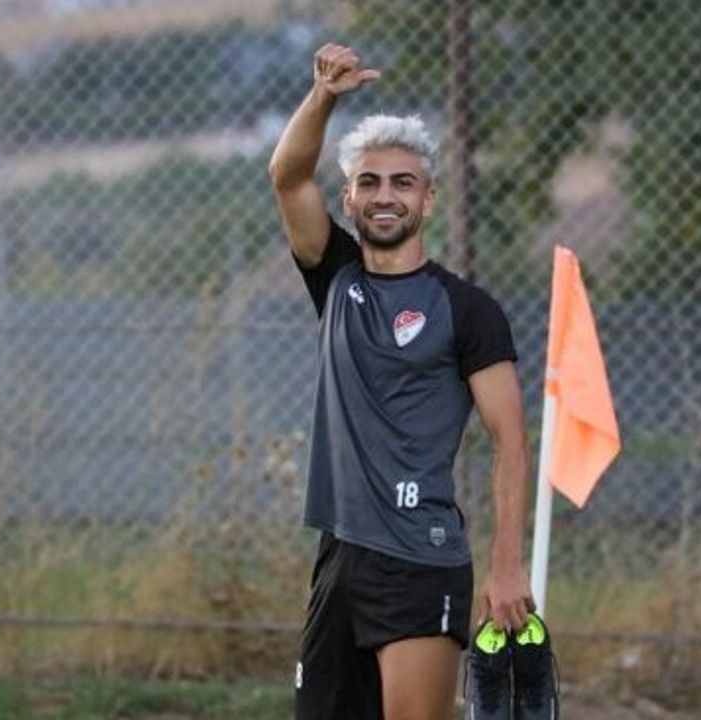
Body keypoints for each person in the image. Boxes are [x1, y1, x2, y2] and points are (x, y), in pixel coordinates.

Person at [268, 43, 536, 720]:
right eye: (369, 182)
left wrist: (507, 566)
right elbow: (287, 174)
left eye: (403, 182)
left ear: (429, 198)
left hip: (421, 556)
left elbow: (510, 441)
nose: (385, 195)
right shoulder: (335, 276)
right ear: (350, 197)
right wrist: (324, 96)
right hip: (340, 554)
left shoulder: (468, 310)